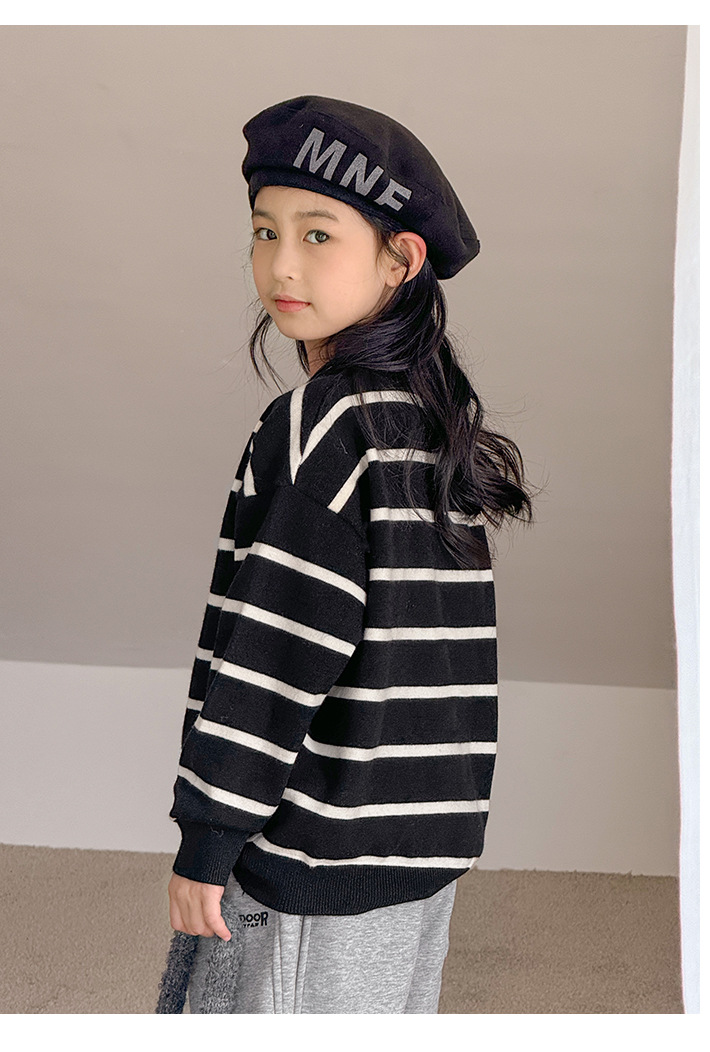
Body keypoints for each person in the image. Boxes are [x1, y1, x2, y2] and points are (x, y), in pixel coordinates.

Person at [161, 95, 536, 1014]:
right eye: (265, 231)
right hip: (425, 841)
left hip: (316, 848)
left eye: (318, 234)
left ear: (400, 259)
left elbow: (275, 650)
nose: (280, 264)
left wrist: (209, 836)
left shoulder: (321, 426)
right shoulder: (435, 424)